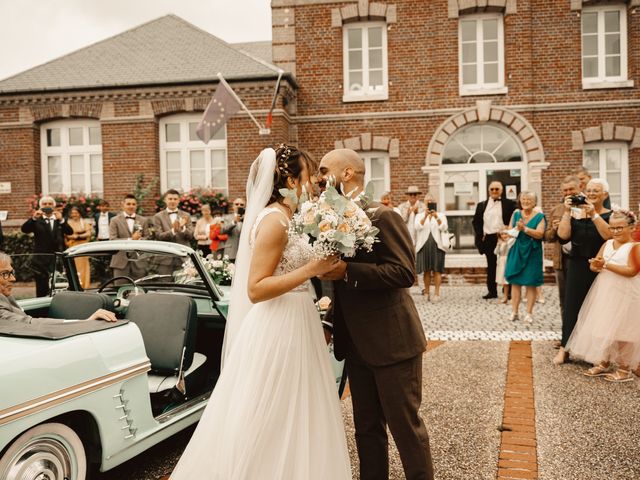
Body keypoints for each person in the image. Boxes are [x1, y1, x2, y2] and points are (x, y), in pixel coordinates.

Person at [170, 145, 351, 480]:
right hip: (278, 325)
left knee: (297, 408)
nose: (312, 184)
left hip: (298, 319)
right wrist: (311, 268)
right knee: (272, 408)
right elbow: (256, 288)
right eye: (308, 176)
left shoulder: (288, 218)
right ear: (291, 180)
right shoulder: (274, 222)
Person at [318, 148, 434, 480]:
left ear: (347, 174)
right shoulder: (329, 218)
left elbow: (404, 274)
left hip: (392, 342)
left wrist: (346, 271)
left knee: (406, 429)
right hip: (355, 344)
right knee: (366, 429)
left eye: (324, 170)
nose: (317, 178)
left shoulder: (382, 216)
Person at [565, 210, 640, 382]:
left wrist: (605, 264)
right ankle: (603, 362)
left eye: (619, 227)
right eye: (612, 228)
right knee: (603, 326)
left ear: (631, 227)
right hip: (606, 291)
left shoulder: (635, 247)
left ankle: (624, 368)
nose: (615, 231)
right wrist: (596, 264)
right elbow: (595, 265)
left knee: (624, 331)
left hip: (627, 293)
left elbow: (632, 271)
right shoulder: (607, 244)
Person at [554, 178, 612, 365]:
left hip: (601, 266)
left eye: (597, 190)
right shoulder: (575, 214)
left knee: (599, 309)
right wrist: (567, 212)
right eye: (589, 190)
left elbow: (609, 236)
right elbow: (563, 236)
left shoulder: (610, 214)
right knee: (572, 306)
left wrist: (594, 214)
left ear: (605, 194)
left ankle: (596, 353)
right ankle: (565, 349)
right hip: (577, 264)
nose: (592, 193)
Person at [0, 252, 116, 324]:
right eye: (5, 274)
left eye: (11, 273)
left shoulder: (5, 296)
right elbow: (30, 323)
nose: (13, 279)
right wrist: (86, 322)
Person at [504, 192, 546, 323]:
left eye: (529, 199)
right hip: (517, 250)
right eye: (523, 199)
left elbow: (540, 234)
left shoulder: (540, 216)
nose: (526, 201)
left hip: (533, 252)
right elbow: (510, 232)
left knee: (531, 283)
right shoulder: (516, 213)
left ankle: (529, 313)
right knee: (515, 283)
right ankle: (514, 312)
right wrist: (509, 232)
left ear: (534, 203)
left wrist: (525, 229)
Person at [544, 175, 581, 318]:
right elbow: (547, 237)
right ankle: (566, 334)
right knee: (564, 299)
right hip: (561, 260)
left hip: (582, 259)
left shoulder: (588, 207)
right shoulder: (556, 210)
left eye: (571, 189)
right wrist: (553, 229)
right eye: (565, 190)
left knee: (582, 298)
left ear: (580, 188)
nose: (568, 193)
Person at [21, 196, 73, 297]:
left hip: (56, 257)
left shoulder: (59, 219)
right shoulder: (37, 220)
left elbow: (69, 232)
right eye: (45, 204)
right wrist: (34, 218)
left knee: (57, 283)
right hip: (40, 259)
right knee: (41, 285)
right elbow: (25, 229)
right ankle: (41, 306)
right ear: (41, 207)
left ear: (54, 206)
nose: (47, 206)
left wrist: (62, 220)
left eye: (50, 204)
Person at [472, 181, 516, 299]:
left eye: (497, 189)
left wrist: (509, 229)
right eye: (492, 189)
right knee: (491, 265)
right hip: (489, 238)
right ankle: (492, 291)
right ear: (489, 191)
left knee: (506, 263)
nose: (494, 191)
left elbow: (515, 219)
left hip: (504, 237)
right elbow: (476, 222)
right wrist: (480, 235)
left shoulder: (509, 204)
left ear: (501, 190)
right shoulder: (481, 205)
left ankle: (508, 290)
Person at [414, 193, 448, 302]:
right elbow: (417, 227)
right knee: (426, 270)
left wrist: (436, 217)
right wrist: (425, 216)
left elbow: (444, 227)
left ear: (435, 203)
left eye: (431, 201)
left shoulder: (441, 215)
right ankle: (427, 293)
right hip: (424, 245)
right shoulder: (419, 215)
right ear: (424, 203)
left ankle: (437, 293)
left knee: (437, 270)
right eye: (427, 201)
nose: (429, 203)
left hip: (437, 245)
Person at [152, 189, 194, 276]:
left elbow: (191, 236)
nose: (172, 201)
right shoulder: (158, 217)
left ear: (178, 200)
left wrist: (182, 229)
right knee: (165, 284)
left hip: (183, 257)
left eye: (175, 199)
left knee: (184, 285)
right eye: (170, 199)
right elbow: (158, 236)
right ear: (165, 200)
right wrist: (173, 231)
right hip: (165, 258)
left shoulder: (186, 216)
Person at [109, 194, 147, 280]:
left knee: (140, 290)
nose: (131, 206)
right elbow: (112, 239)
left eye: (133, 204)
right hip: (120, 262)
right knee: (119, 289)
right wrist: (131, 239)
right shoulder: (114, 220)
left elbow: (147, 237)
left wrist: (139, 239)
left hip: (139, 262)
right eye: (128, 204)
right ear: (123, 205)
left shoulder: (143, 220)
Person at [65, 206, 92, 289]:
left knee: (84, 267)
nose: (74, 215)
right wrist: (74, 236)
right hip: (73, 247)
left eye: (76, 213)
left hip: (83, 248)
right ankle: (75, 285)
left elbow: (88, 234)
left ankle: (85, 285)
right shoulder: (68, 223)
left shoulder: (84, 223)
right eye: (72, 213)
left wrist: (77, 236)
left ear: (79, 213)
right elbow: (67, 235)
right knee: (74, 267)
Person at [495, 231, 515, 304]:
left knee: (511, 280)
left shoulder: (511, 241)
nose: (504, 235)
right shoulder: (500, 243)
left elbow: (510, 247)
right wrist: (498, 245)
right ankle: (505, 297)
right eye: (502, 234)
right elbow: (495, 252)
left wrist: (504, 243)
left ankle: (514, 297)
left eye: (505, 233)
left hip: (509, 261)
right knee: (504, 281)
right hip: (501, 262)